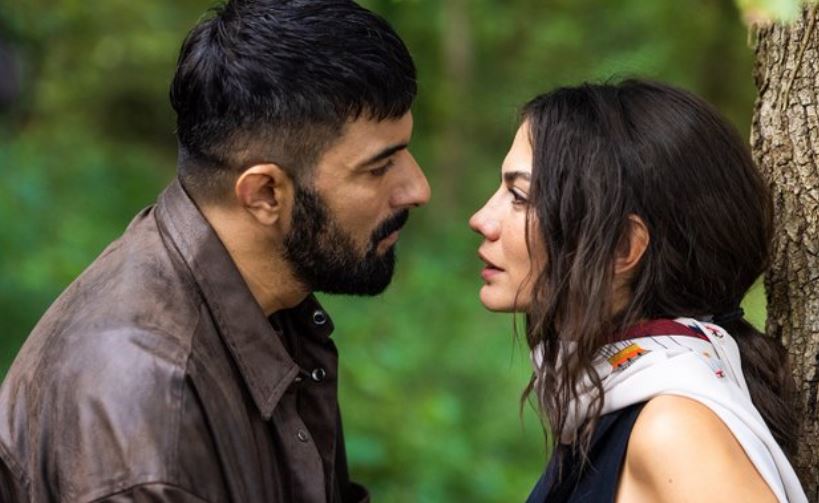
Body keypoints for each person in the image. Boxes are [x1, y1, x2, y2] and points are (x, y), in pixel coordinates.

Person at [0, 0, 429, 501]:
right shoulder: (149, 412)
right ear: (265, 194)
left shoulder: (270, 308)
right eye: (379, 167)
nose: (418, 189)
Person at [469, 80, 808, 502]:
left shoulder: (675, 430)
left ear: (622, 247)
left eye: (519, 196)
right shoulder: (624, 401)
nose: (481, 219)